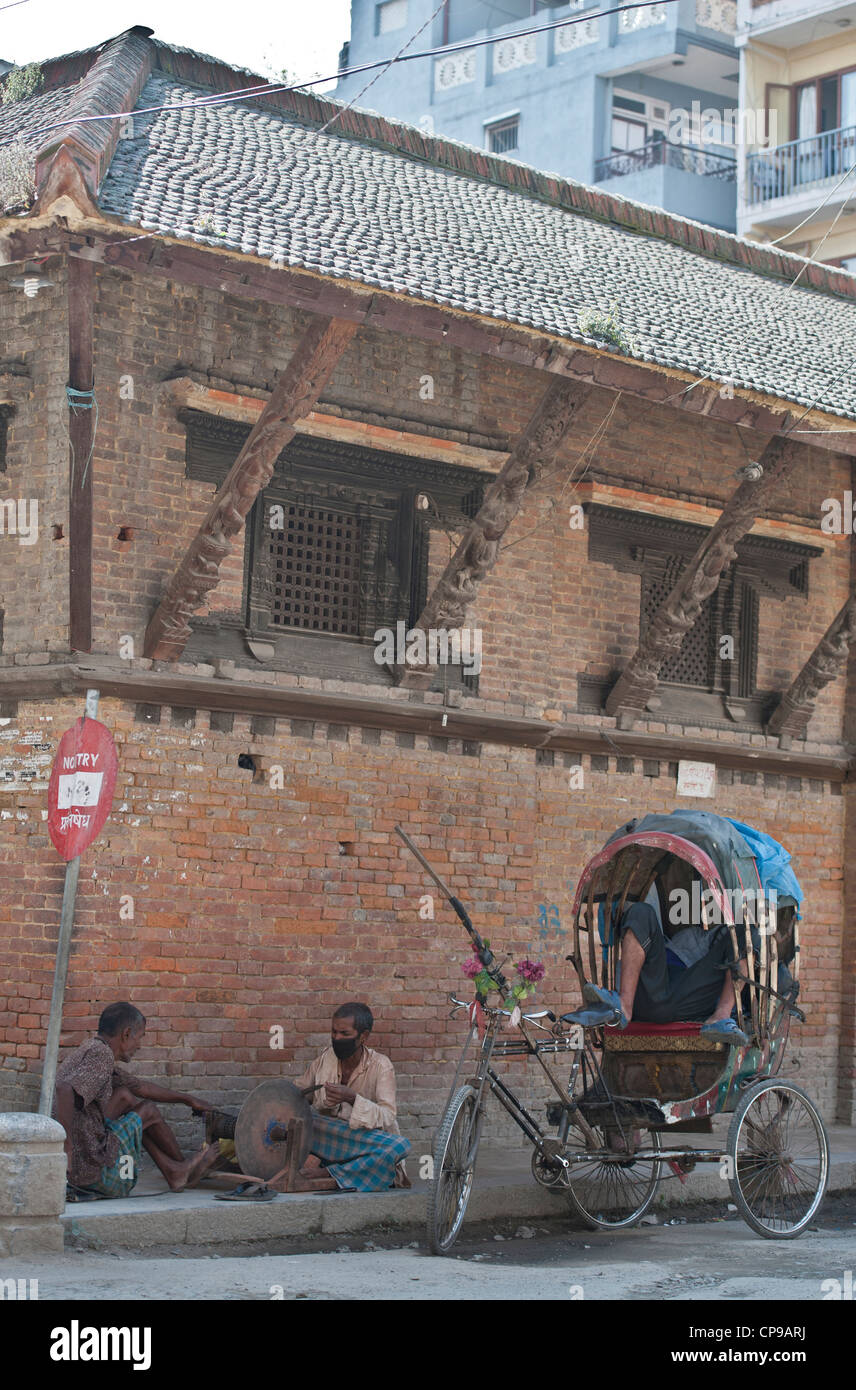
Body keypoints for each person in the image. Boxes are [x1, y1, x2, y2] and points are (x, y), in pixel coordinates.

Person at [567, 857, 755, 1043]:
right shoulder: (658, 940)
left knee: (744, 931)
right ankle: (624, 1006)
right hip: (648, 994)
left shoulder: (709, 939)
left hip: (689, 996)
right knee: (641, 911)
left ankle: (721, 1016)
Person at [53, 1001, 221, 1197]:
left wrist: (187, 1099)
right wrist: (66, 1147)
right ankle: (179, 1170)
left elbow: (141, 1087)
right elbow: (64, 1089)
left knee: (125, 1096)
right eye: (139, 1038)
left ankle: (179, 1169)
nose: (139, 1046)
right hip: (91, 1170)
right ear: (126, 1034)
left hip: (83, 1163)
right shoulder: (101, 1055)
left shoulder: (92, 1048)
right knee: (147, 1110)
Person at [293, 1002, 411, 1192]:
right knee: (298, 1121)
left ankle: (330, 1174)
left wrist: (353, 1098)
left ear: (363, 1036)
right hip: (329, 1137)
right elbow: (300, 1091)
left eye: (344, 1034)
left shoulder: (381, 1066)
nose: (337, 1038)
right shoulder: (326, 1057)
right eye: (334, 1032)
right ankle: (348, 1175)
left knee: (399, 1146)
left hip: (361, 1141)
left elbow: (388, 1116)